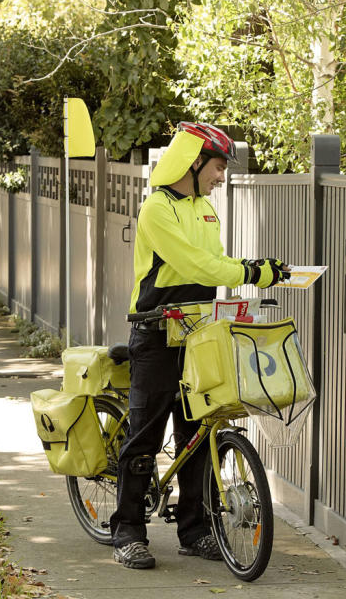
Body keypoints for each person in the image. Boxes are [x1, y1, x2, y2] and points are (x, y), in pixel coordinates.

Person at [110, 122, 290, 569]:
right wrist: (250, 273)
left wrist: (253, 269)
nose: (221, 176)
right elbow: (193, 264)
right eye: (217, 166)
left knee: (196, 433)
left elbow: (216, 264)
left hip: (196, 332)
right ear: (193, 163)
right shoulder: (157, 208)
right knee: (146, 435)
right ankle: (128, 532)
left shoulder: (205, 210)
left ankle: (194, 530)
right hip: (154, 332)